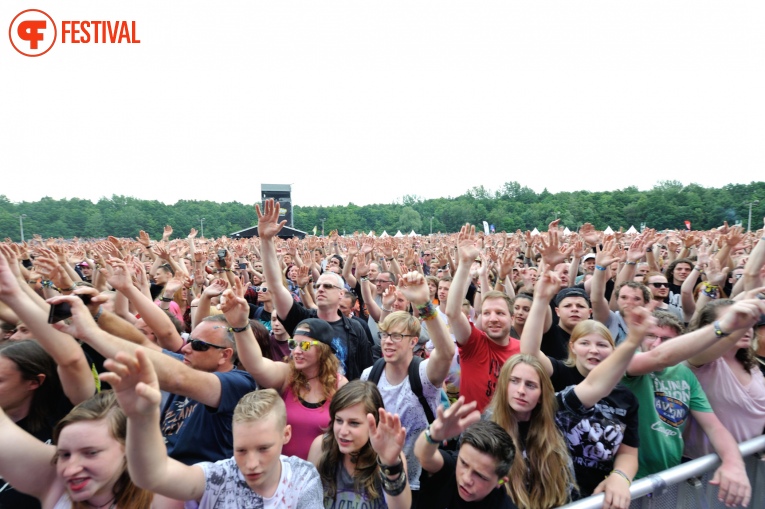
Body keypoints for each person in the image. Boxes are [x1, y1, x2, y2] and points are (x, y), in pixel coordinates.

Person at [108, 350, 323, 508]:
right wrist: (140, 419)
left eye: (263, 448)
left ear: (286, 435)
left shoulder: (302, 476)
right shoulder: (220, 476)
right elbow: (153, 476)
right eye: (241, 450)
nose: (251, 464)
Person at [620, 301, 765, 508]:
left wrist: (734, 463)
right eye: (651, 336)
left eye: (667, 339)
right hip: (628, 477)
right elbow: (659, 357)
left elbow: (714, 426)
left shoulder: (685, 375)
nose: (657, 343)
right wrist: (724, 325)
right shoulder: (628, 363)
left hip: (669, 474)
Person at [520, 271, 641, 505]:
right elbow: (529, 354)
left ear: (613, 351)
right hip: (549, 489)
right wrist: (541, 299)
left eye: (602, 345)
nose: (593, 350)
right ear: (572, 347)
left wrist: (620, 476)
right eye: (585, 343)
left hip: (596, 495)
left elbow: (629, 452)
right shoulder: (560, 372)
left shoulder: (625, 397)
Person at [220, 276, 348, 459]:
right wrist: (240, 326)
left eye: (304, 345)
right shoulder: (287, 374)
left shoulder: (340, 385)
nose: (296, 351)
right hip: (285, 476)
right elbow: (255, 364)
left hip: (322, 477)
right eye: (293, 344)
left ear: (324, 351)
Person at [360, 272, 455, 503]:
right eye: (384, 335)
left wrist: (423, 304)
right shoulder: (368, 375)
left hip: (419, 482)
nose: (387, 341)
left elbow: (446, 352)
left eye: (396, 336)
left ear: (414, 342)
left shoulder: (422, 374)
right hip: (374, 478)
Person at [0, 391, 179, 509]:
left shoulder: (166, 497)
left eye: (90, 453)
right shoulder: (55, 484)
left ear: (130, 449)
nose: (71, 469)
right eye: (64, 455)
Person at [257, 199, 372, 380]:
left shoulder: (356, 329)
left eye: (327, 286)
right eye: (317, 286)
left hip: (342, 401)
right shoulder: (302, 319)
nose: (320, 289)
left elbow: (366, 373)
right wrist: (266, 240)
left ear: (341, 294)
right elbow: (276, 287)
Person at [446, 224, 520, 411]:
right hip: (473, 432)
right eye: (486, 313)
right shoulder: (473, 343)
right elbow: (453, 312)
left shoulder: (523, 350)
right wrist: (464, 264)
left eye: (500, 313)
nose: (493, 318)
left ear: (512, 319)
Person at [307, 380, 411, 509]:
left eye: (354, 423)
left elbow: (402, 507)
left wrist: (389, 464)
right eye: (339, 420)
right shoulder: (321, 447)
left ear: (374, 423)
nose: (343, 432)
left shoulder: (389, 456)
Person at [682, 299, 765, 459]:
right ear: (708, 328)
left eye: (749, 322)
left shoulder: (752, 366)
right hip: (701, 470)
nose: (745, 328)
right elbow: (701, 350)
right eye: (735, 321)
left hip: (746, 463)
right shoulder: (700, 361)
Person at [414, 398, 518, 509]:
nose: (466, 479)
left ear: (501, 481)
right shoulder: (452, 467)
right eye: (464, 463)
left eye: (480, 475)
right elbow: (424, 456)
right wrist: (433, 435)